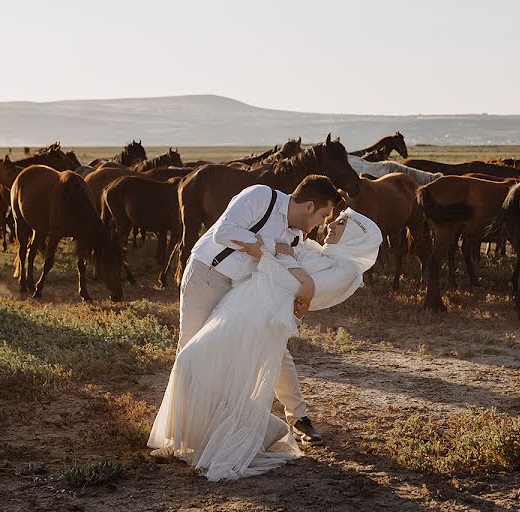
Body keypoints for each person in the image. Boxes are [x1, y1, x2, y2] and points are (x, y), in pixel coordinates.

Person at [147, 206, 383, 481]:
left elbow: (301, 289)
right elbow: (290, 259)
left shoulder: (348, 272)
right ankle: (206, 435)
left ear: (356, 235)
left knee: (200, 361)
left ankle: (232, 436)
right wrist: (280, 255)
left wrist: (269, 256)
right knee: (196, 361)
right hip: (243, 300)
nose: (330, 225)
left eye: (340, 223)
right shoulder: (320, 252)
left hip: (262, 314)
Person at [174, 175, 341, 445]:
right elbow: (224, 232)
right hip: (207, 276)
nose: (322, 222)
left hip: (244, 289)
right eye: (323, 215)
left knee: (275, 343)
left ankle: (298, 416)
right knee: (191, 350)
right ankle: (185, 430)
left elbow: (295, 264)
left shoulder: (296, 237)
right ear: (309, 206)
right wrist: (274, 247)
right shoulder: (261, 197)